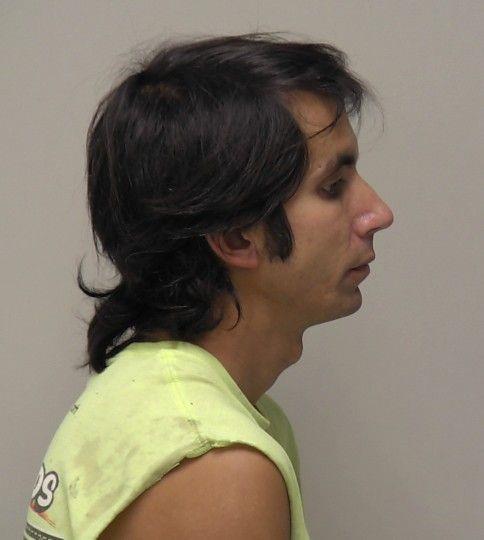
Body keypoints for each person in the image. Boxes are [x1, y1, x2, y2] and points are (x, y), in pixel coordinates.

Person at [24, 31, 393, 540]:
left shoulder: (157, 402)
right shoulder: (217, 464)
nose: (378, 213)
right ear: (237, 236)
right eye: (333, 187)